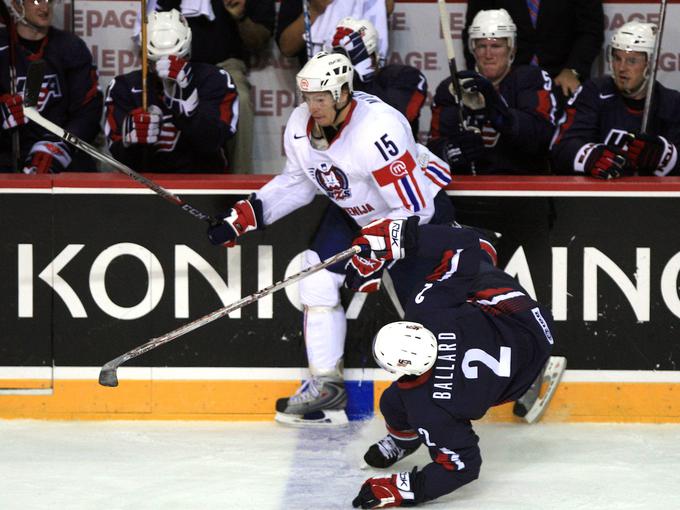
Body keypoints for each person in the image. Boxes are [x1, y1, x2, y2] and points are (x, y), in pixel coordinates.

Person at [206, 51, 455, 426]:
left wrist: (375, 251)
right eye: (308, 97)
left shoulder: (378, 129)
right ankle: (326, 389)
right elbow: (297, 184)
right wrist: (247, 216)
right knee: (316, 278)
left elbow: (416, 208)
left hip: (414, 213)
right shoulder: (300, 125)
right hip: (355, 210)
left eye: (321, 97)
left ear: (343, 93)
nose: (313, 106)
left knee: (427, 305)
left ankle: (501, 366)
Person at [348, 220, 565, 508]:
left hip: (516, 381)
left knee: (391, 402)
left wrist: (404, 489)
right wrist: (400, 237)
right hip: (531, 326)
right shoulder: (429, 311)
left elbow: (464, 466)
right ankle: (488, 246)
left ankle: (403, 439)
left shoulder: (425, 406)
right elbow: (464, 243)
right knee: (473, 271)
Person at [105, 9, 239, 173]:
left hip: (203, 182)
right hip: (145, 187)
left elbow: (214, 141)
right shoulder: (123, 86)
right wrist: (129, 142)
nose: (166, 70)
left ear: (187, 52)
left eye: (176, 59)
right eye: (156, 63)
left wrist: (189, 108)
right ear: (146, 58)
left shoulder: (215, 79)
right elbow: (119, 157)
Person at [149, 0, 275, 173]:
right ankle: (141, 185)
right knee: (139, 94)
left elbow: (259, 41)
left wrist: (240, 16)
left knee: (242, 99)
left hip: (224, 64)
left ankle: (240, 184)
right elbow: (147, 27)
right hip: (171, 60)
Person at [427, 8, 556, 175]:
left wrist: (502, 115)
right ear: (472, 49)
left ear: (512, 49)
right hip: (463, 191)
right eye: (481, 46)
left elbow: (542, 138)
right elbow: (431, 150)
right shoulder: (452, 88)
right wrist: (450, 151)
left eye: (496, 46)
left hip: (521, 188)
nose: (488, 54)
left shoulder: (531, 79)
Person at [551, 21, 680, 178]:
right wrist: (589, 157)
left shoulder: (672, 103)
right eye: (617, 58)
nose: (621, 68)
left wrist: (666, 157)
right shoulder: (594, 93)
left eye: (632, 61)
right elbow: (562, 148)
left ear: (651, 64)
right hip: (598, 199)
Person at [0, 0, 102, 173]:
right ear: (17, 5)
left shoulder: (71, 46)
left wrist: (60, 146)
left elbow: (87, 111)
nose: (45, 7)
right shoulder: (3, 46)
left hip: (59, 154)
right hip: (8, 158)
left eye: (49, 0)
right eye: (35, 1)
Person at [462, 0, 604, 107]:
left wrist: (573, 70)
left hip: (562, 83)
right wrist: (481, 80)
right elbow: (473, 31)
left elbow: (591, 30)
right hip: (505, 85)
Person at [331, 17, 427, 138]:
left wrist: (365, 77)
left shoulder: (403, 76)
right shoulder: (334, 86)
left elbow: (397, 122)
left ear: (370, 57)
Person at [276, 0, 392, 67]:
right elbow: (287, 48)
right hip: (319, 90)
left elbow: (387, 8)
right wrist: (314, 11)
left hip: (367, 86)